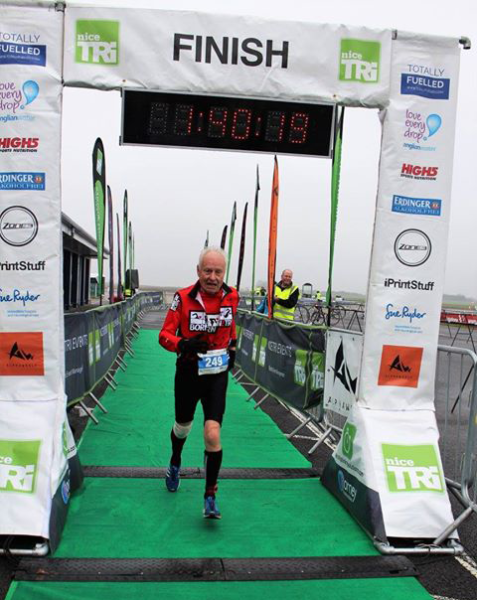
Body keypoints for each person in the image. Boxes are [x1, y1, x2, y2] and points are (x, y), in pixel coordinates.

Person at [158, 247, 239, 519]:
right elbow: (164, 335)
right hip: (189, 371)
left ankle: (210, 495)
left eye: (218, 271)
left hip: (216, 373)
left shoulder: (232, 295)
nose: (213, 277)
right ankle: (175, 462)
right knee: (183, 427)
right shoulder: (182, 299)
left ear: (223, 273)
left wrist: (233, 347)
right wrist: (184, 343)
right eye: (208, 271)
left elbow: (232, 325)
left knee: (212, 433)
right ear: (198, 271)